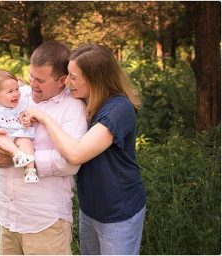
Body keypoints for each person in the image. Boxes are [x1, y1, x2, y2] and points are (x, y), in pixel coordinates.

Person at [0, 41, 88, 254]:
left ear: (62, 80)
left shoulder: (73, 108)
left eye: (40, 80)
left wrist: (17, 158)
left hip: (44, 219)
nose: (32, 84)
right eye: (31, 76)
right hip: (7, 210)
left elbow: (69, 162)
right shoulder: (19, 95)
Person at [21, 44, 145, 255]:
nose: (68, 82)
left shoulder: (118, 109)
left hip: (119, 209)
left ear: (95, 79)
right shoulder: (85, 99)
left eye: (74, 77)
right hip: (90, 206)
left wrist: (44, 118)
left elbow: (77, 153)